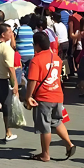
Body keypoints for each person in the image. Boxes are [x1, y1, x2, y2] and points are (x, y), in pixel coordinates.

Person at [25, 32, 76, 161]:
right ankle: (69, 144)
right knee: (57, 121)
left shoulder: (36, 60)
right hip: (57, 95)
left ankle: (45, 154)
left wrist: (28, 97)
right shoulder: (56, 58)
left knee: (44, 127)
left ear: (36, 45)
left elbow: (32, 80)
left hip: (43, 97)